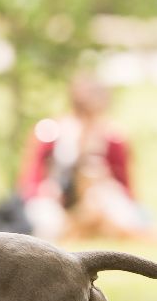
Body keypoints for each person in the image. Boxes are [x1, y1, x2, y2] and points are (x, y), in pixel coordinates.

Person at [17, 74, 147, 241]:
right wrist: (45, 190)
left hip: (98, 198)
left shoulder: (113, 138)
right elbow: (30, 180)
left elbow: (124, 183)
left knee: (123, 218)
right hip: (56, 197)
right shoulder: (50, 132)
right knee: (47, 225)